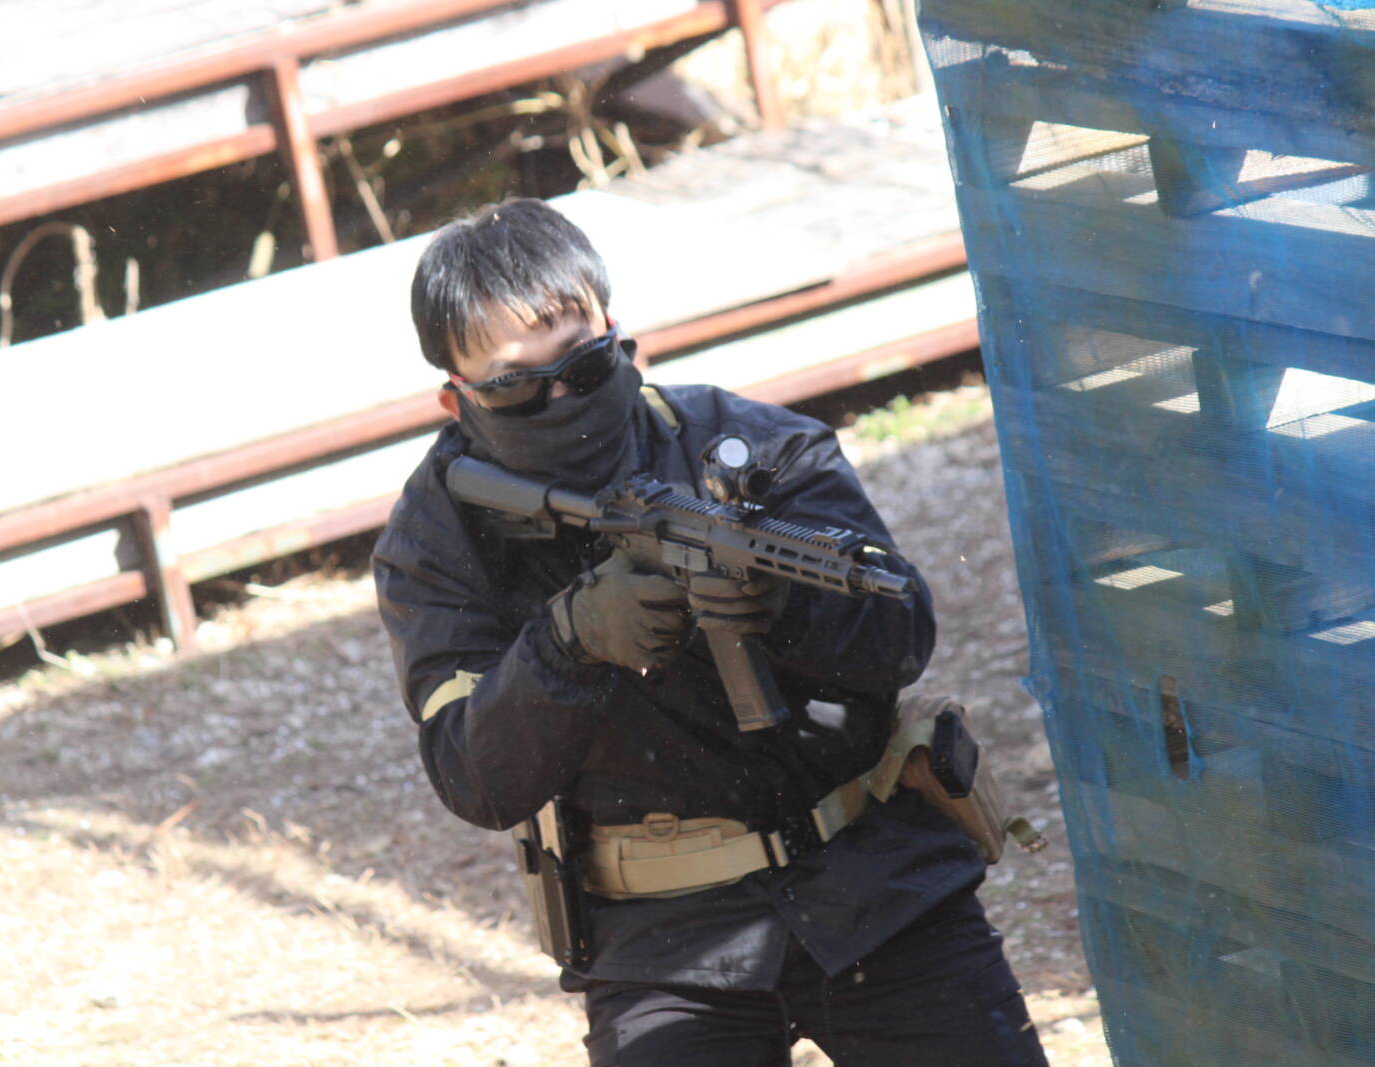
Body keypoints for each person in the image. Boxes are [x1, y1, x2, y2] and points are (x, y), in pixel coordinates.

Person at [371, 198, 1048, 1065]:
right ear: (456, 397)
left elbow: (901, 633)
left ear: (621, 338)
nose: (562, 397)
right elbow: (475, 777)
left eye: (585, 365)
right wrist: (570, 642)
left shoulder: (755, 444)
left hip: (875, 878)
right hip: (661, 938)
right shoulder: (437, 538)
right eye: (518, 387)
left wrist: (783, 604)